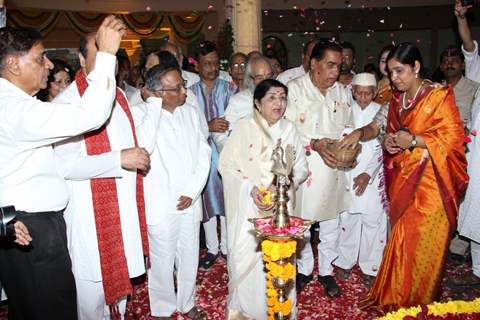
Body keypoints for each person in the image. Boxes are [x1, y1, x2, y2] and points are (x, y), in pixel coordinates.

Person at [0, 16, 125, 319]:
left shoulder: (15, 105)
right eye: (40, 57)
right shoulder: (14, 109)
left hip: (22, 223)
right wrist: (106, 55)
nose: (48, 65)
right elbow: (91, 115)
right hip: (31, 229)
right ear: (14, 65)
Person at [359, 42, 468, 312]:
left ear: (416, 67)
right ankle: (398, 297)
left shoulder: (439, 96)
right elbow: (390, 132)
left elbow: (453, 141)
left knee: (424, 248)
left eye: (399, 71)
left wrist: (415, 140)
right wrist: (390, 142)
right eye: (390, 72)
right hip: (404, 181)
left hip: (433, 184)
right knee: (404, 241)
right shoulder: (397, 99)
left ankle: (419, 302)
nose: (394, 78)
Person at [54, 31, 150, 319]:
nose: (108, 63)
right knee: (90, 296)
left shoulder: (119, 96)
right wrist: (118, 159)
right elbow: (66, 165)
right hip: (88, 215)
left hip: (124, 211)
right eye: (101, 55)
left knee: (121, 290)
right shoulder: (66, 104)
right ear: (82, 60)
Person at [219, 79, 308, 320]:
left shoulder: (289, 129)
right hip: (249, 206)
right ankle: (246, 312)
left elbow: (301, 168)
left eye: (282, 97)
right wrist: (250, 188)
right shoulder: (243, 128)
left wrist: (285, 183)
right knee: (246, 257)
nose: (279, 103)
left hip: (280, 207)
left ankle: (279, 309)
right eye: (272, 97)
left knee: (280, 258)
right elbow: (226, 165)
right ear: (258, 103)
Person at [135, 64, 211, 319]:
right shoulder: (140, 114)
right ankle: (163, 308)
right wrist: (153, 107)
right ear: (158, 93)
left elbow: (204, 152)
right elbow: (143, 147)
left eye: (182, 85)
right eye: (177, 87)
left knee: (190, 255)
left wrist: (193, 190)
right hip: (159, 201)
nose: (184, 91)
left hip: (190, 198)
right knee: (162, 260)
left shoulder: (190, 112)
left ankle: (187, 303)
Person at [285, 40, 352, 297]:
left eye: (339, 66)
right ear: (314, 63)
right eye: (330, 65)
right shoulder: (293, 90)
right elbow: (285, 130)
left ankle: (326, 271)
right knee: (302, 223)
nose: (336, 71)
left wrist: (347, 146)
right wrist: (314, 142)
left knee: (331, 224)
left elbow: (348, 126)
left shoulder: (342, 92)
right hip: (305, 170)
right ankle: (304, 269)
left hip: (334, 168)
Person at [333, 73, 387, 289]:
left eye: (368, 93)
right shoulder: (344, 111)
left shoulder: (380, 113)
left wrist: (368, 174)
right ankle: (345, 262)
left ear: (374, 93)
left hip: (373, 178)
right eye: (359, 92)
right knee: (348, 221)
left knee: (373, 224)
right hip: (347, 175)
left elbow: (383, 149)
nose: (363, 97)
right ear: (352, 91)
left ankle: (370, 267)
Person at [190, 40, 237, 269]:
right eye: (206, 63)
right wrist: (207, 125)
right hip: (200, 156)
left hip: (227, 154)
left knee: (227, 199)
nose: (211, 67)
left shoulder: (230, 90)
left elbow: (238, 120)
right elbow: (186, 126)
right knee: (206, 203)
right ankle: (211, 248)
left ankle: (228, 248)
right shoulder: (188, 95)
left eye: (215, 63)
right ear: (197, 66)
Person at [450, 0, 480, 287]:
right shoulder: (478, 72)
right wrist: (461, 18)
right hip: (477, 154)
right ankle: (477, 272)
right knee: (474, 207)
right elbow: (469, 46)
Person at [222, 55, 274, 145]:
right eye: (259, 78)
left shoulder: (282, 98)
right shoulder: (237, 101)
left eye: (269, 76)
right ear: (250, 79)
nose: (266, 82)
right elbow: (223, 135)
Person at [439, 45, 480, 129]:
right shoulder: (434, 90)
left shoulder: (475, 90)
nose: (449, 64)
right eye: (445, 61)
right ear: (441, 67)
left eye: (455, 61)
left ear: (463, 65)